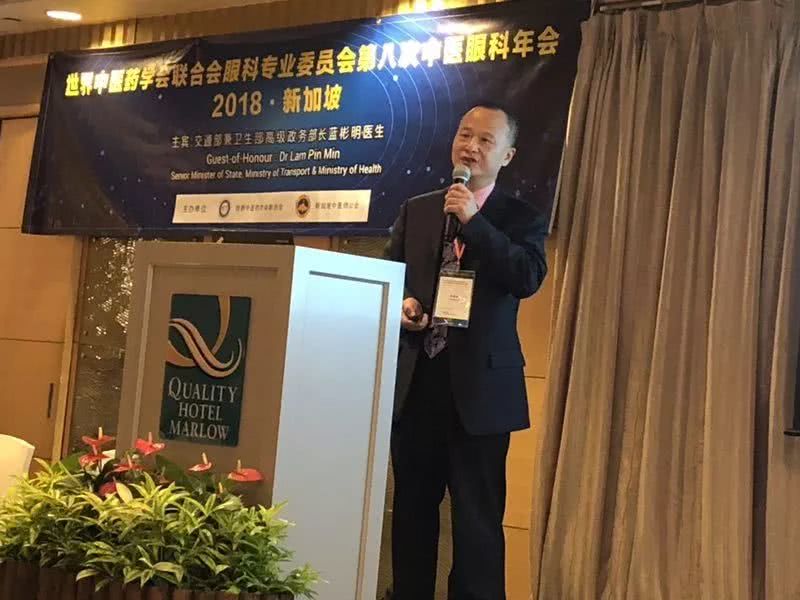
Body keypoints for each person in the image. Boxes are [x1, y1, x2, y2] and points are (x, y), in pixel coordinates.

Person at [385, 102, 549, 600]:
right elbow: (390, 275)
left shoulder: (520, 216)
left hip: (480, 394)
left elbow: (526, 277)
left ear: (507, 155)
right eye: (464, 135)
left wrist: (475, 222)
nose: (470, 147)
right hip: (418, 385)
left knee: (477, 523)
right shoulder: (418, 209)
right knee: (411, 514)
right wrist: (403, 304)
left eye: (484, 141)